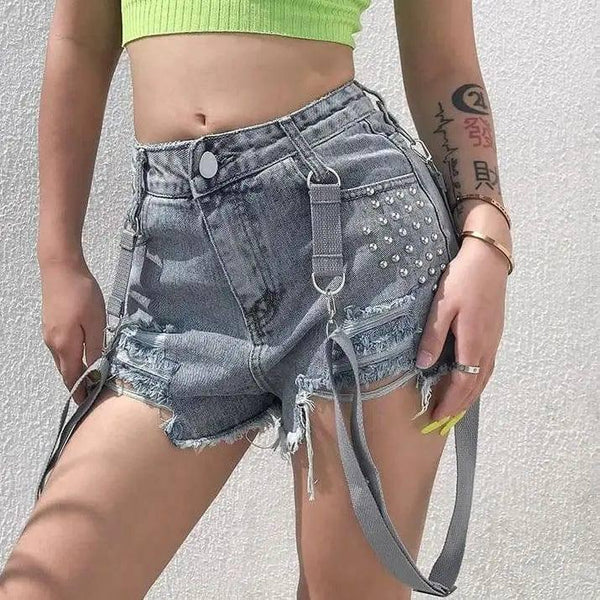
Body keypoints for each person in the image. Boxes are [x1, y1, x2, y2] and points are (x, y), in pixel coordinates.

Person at [0, 1, 512, 598]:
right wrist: (58, 257)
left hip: (352, 238)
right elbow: (80, 43)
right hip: (174, 263)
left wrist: (488, 237)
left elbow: (444, 63)